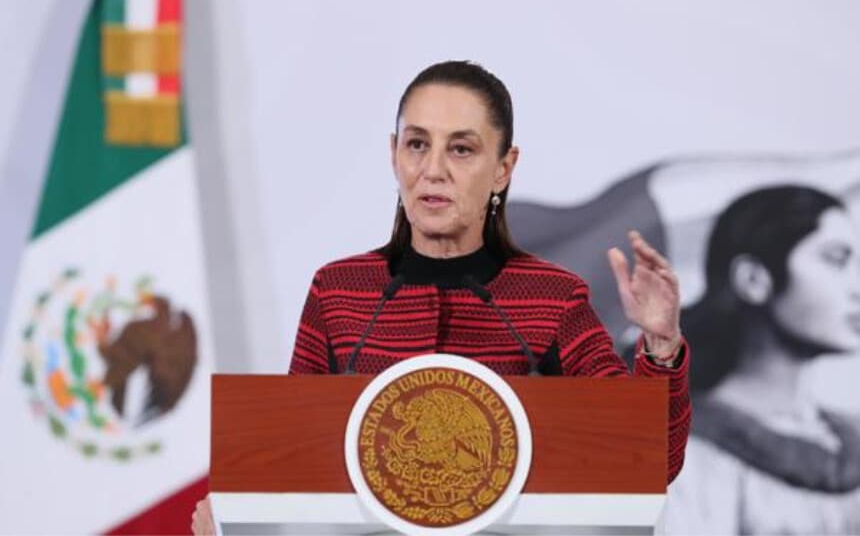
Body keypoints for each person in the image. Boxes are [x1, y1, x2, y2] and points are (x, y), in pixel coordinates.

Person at [192, 61, 691, 535]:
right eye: (417, 144)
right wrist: (239, 513)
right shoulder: (339, 292)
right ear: (394, 154)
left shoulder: (552, 299)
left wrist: (661, 344)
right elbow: (292, 463)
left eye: (461, 149)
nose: (433, 169)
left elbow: (648, 464)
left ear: (503, 168)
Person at [661, 185, 860, 535]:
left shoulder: (847, 439)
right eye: (836, 260)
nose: (856, 287)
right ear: (754, 279)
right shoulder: (683, 453)